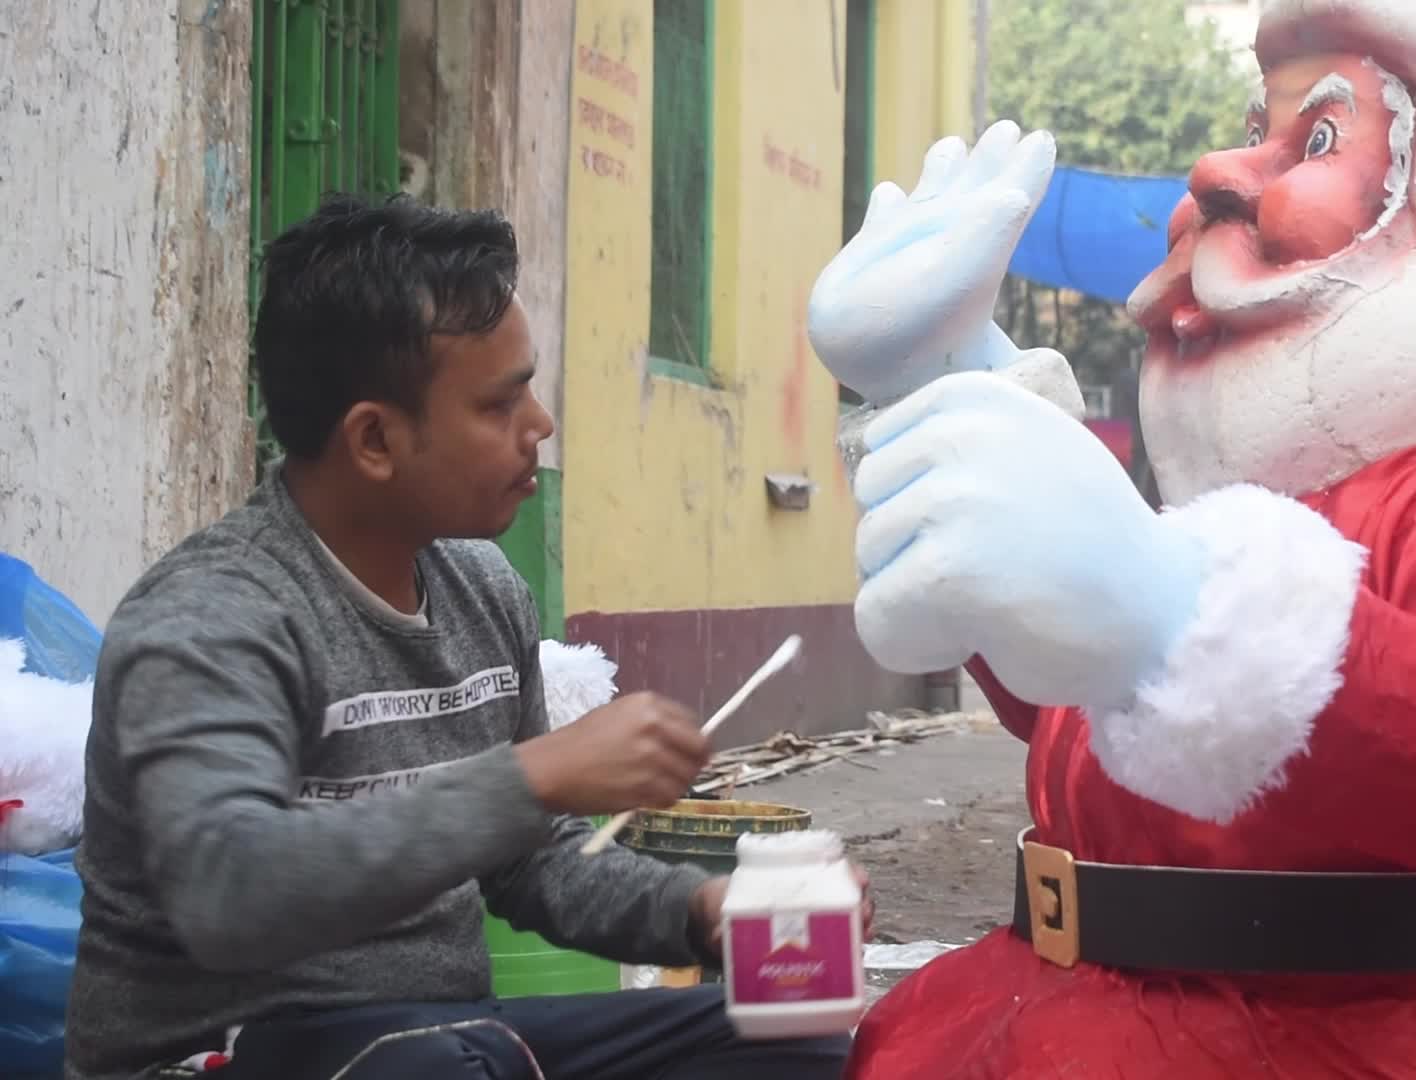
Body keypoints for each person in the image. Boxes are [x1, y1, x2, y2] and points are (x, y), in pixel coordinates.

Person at [806, 0, 1416, 1076]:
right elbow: (1088, 720)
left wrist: (1177, 611)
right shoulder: (1261, 508)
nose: (1218, 169)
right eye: (1252, 126)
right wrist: (934, 376)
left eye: (1316, 136)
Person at [64, 194, 866, 1080]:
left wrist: (703, 909)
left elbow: (529, 864)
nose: (540, 427)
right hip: (238, 1053)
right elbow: (227, 893)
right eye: (500, 403)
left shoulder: (482, 592)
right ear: (374, 438)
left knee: (797, 1035)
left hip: (456, 1041)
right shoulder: (213, 620)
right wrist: (535, 775)